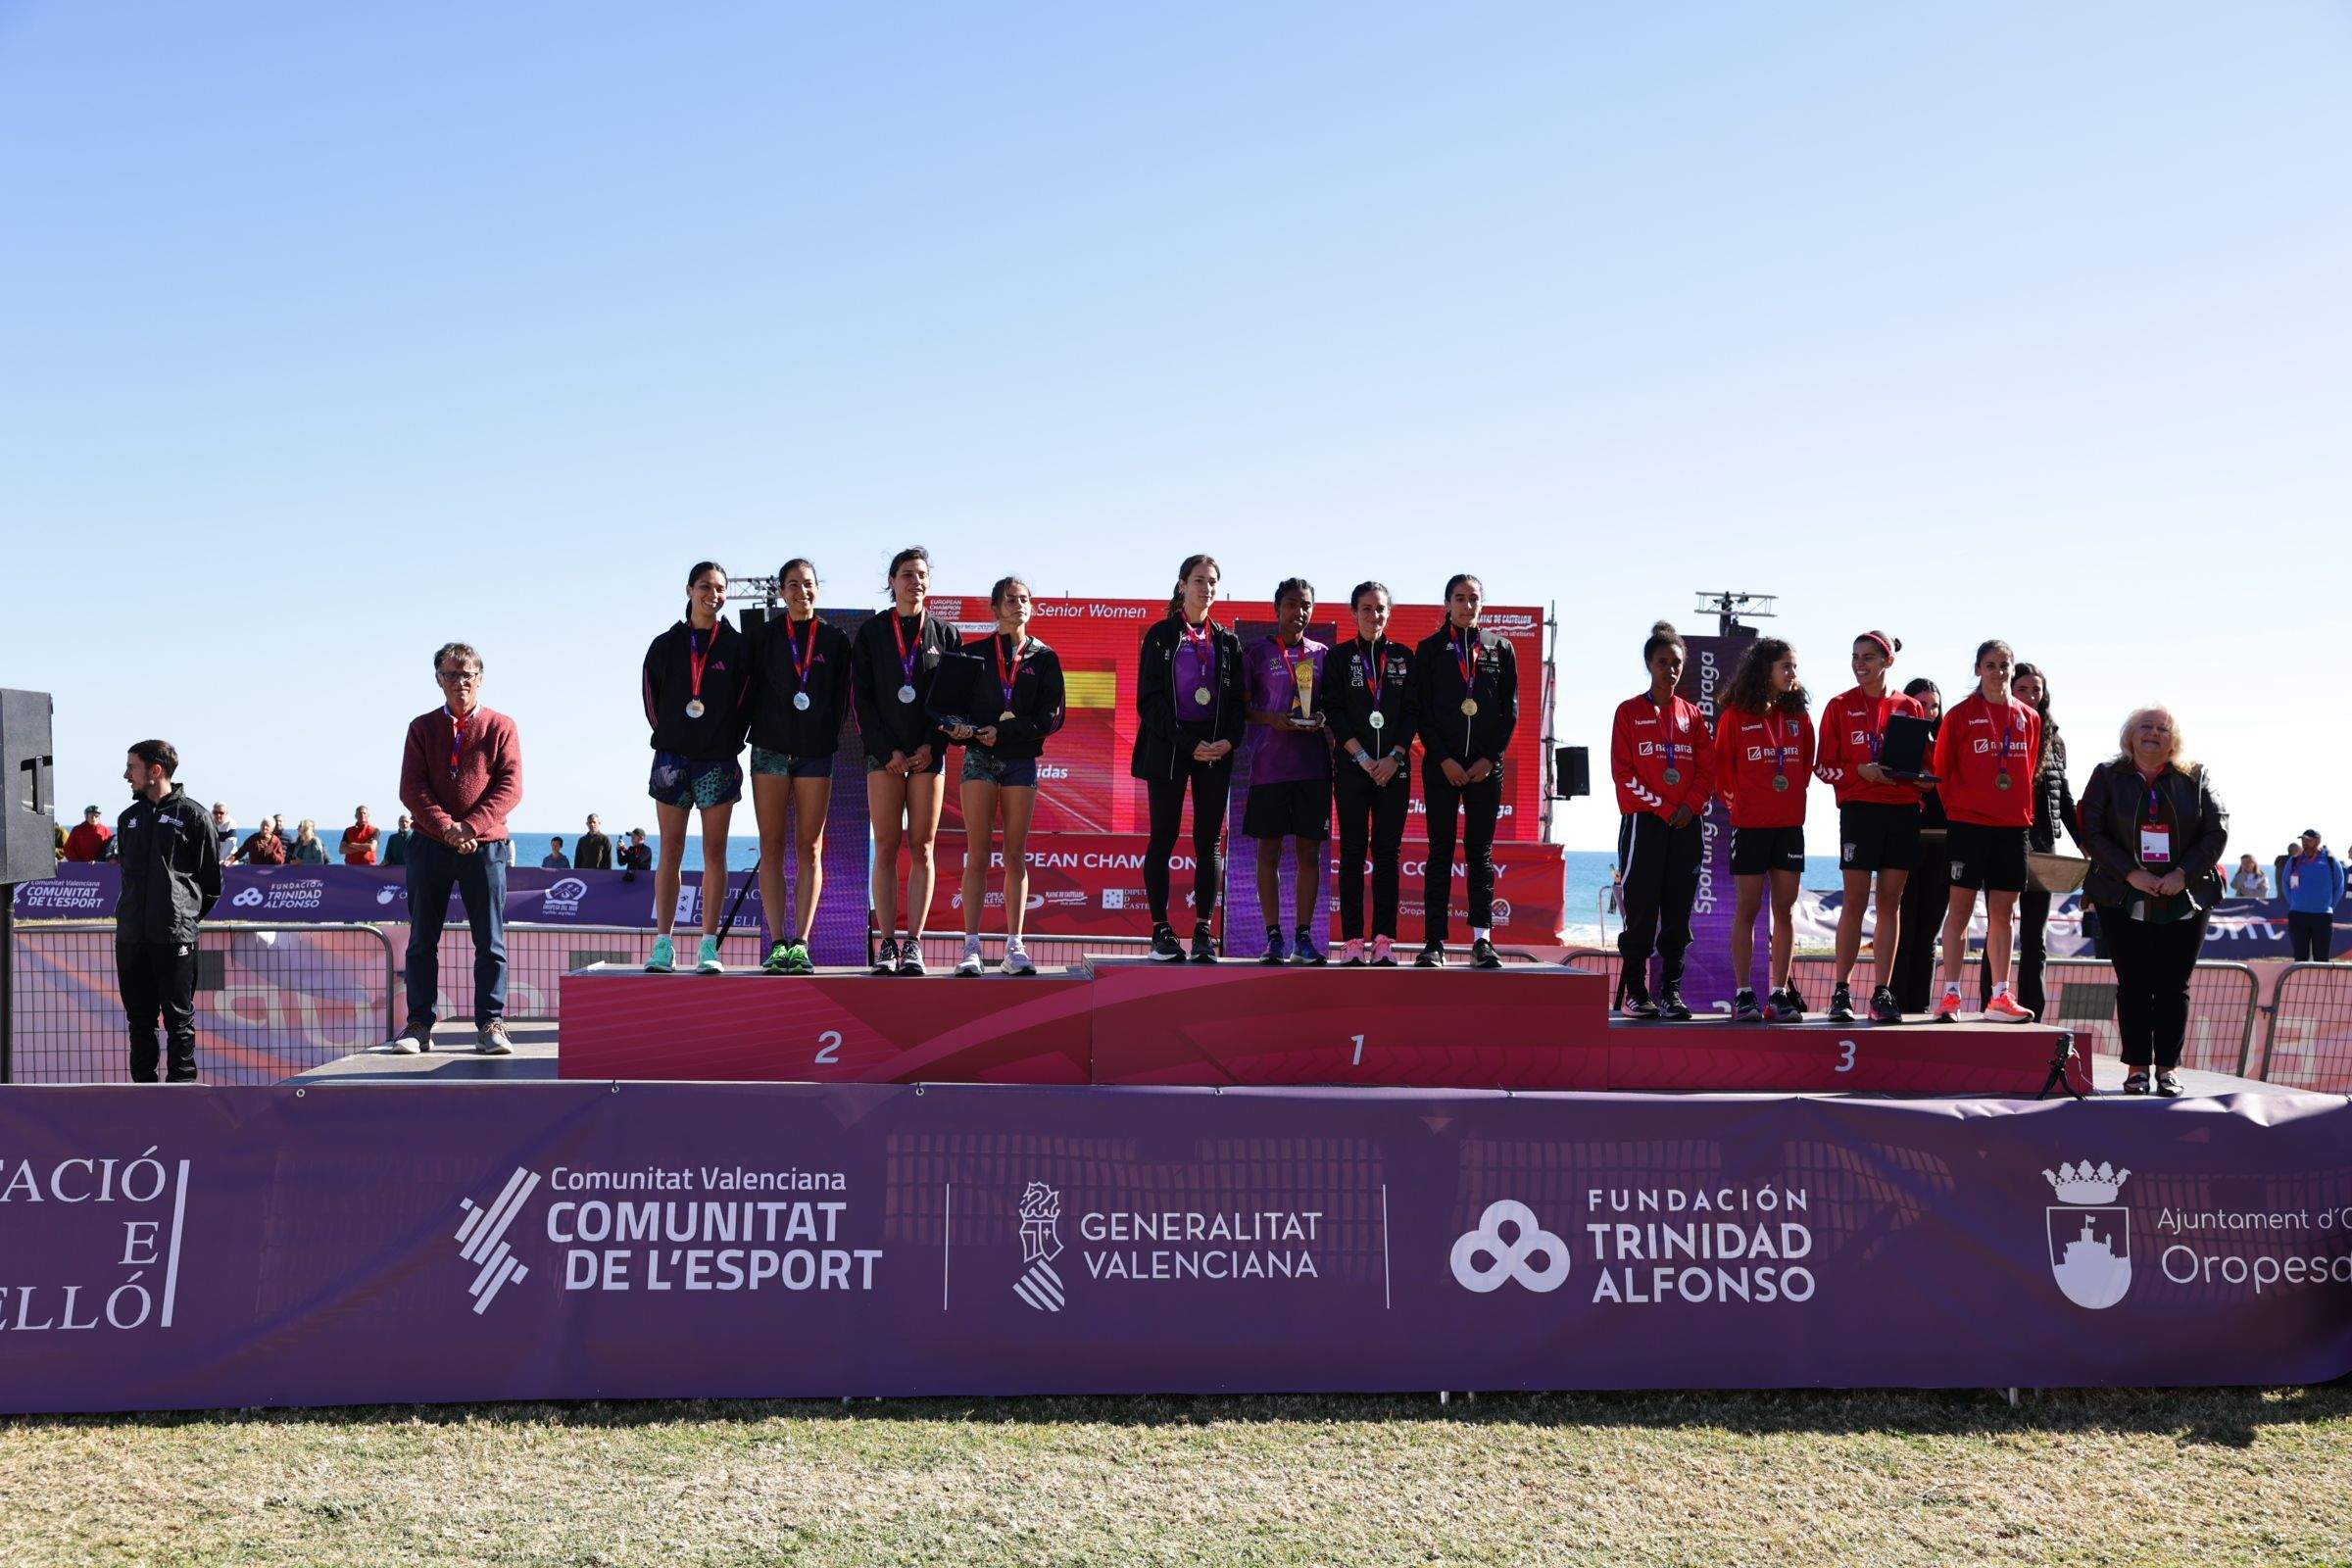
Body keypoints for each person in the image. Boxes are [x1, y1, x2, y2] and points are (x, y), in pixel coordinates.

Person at [2077, 706, 2228, 1095]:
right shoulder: (2106, 776)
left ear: (2172, 739)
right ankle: (2137, 1069)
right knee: (2133, 984)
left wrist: (2182, 875)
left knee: (2174, 986)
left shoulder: (2196, 776)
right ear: (2130, 735)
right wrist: (2131, 873)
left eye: (2162, 729)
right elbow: (2091, 831)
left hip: (2185, 897)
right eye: (2146, 727)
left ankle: (2168, 1070)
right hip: (2121, 894)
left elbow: (2217, 829)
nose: (2153, 734)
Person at [391, 639, 524, 1056]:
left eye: (467, 675)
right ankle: (418, 1026)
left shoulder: (502, 726)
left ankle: (490, 1024)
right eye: (451, 674)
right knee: (421, 940)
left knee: (490, 941)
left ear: (480, 679)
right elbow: (411, 788)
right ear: (438, 679)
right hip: (430, 845)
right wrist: (448, 827)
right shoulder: (421, 727)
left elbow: (511, 787)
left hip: (486, 848)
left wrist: (471, 826)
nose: (460, 682)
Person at [945, 575, 1066, 976]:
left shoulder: (1045, 658)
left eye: (1024, 599)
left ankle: (1015, 947)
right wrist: (958, 729)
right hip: (979, 758)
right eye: (1010, 600)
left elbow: (1052, 717)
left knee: (1015, 854)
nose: (1018, 605)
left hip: (1019, 760)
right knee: (977, 853)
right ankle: (971, 948)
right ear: (995, 609)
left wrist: (1008, 732)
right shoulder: (973, 653)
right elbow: (950, 708)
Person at [853, 546, 960, 975]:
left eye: (921, 574)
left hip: (927, 755)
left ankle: (914, 943)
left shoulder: (946, 634)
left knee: (923, 846)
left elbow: (954, 699)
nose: (915, 581)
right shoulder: (873, 633)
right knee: (885, 847)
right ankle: (886, 944)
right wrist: (886, 751)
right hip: (885, 758)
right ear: (892, 581)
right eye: (906, 574)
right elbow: (861, 698)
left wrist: (932, 746)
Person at [1133, 553, 1247, 962]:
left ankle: (1203, 932)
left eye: (1212, 581)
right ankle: (1161, 930)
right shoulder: (1162, 635)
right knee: (1163, 837)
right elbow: (1148, 701)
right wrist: (1184, 741)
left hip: (1214, 749)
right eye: (1199, 580)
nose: (1207, 587)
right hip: (1170, 747)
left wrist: (1229, 740)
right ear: (1182, 585)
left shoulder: (1228, 641)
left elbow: (1238, 703)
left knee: (1208, 842)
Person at [744, 557, 854, 975]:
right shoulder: (763, 637)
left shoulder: (835, 640)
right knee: (771, 846)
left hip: (814, 752)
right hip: (768, 750)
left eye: (807, 584)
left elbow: (842, 700)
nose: (800, 591)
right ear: (781, 590)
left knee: (810, 848)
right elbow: (747, 691)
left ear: (817, 589)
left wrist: (822, 735)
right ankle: (776, 943)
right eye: (792, 584)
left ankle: (801, 944)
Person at [641, 560, 752, 975]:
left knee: (714, 853)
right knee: (670, 850)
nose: (714, 593)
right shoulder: (665, 644)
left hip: (718, 762)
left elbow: (745, 703)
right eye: (706, 586)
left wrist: (722, 741)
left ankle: (708, 945)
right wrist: (673, 735)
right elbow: (651, 701)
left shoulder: (737, 646)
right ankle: (663, 944)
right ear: (689, 590)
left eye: (721, 588)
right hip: (671, 760)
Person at [1814, 631, 1927, 1024]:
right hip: (1860, 810)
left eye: (1868, 657)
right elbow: (1822, 767)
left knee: (1890, 903)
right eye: (1855, 657)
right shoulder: (1839, 705)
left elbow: (1925, 768)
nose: (1860, 664)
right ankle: (1840, 991)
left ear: (1887, 662)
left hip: (1902, 809)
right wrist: (1857, 772)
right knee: (1856, 900)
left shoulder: (1911, 707)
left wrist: (1914, 776)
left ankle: (1882, 992)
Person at [1931, 640, 2043, 1023]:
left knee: (2004, 912)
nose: (1998, 672)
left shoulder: (2029, 717)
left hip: (2013, 827)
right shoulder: (1960, 716)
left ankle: (1999, 995)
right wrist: (1963, 809)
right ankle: (1950, 994)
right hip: (1968, 825)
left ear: (2013, 670)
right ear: (1978, 669)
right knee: (1959, 910)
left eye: (2004, 665)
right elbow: (1942, 772)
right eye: (1990, 665)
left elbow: (2027, 772)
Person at [1412, 573, 1517, 970]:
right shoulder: (1429, 650)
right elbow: (1421, 712)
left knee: (1480, 852)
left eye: (1474, 599)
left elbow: (1510, 712)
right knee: (1440, 851)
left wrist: (1489, 759)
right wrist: (1444, 758)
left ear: (1482, 605)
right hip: (1443, 766)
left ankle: (1482, 940)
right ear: (1447, 603)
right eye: (1460, 598)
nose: (1467, 605)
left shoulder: (1500, 648)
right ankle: (1433, 942)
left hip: (1485, 770)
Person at [1609, 621, 1713, 1017]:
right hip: (1645, 823)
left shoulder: (1693, 716)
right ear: (1648, 664)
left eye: (1676, 663)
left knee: (1678, 912)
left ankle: (1670, 992)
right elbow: (1623, 774)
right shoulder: (1629, 712)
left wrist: (1690, 805)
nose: (1670, 669)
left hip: (1687, 825)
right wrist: (1666, 807)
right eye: (1662, 662)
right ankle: (1637, 992)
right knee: (1640, 910)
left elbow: (1708, 771)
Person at [1715, 637, 1816, 1021]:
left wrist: (1784, 801)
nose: (1793, 674)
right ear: (1765, 670)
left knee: (1785, 910)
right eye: (1786, 666)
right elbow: (1723, 768)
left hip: (1789, 825)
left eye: (1795, 667)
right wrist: (1743, 804)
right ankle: (1744, 993)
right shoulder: (1735, 717)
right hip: (1751, 826)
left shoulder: (1799, 717)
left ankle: (1778, 994)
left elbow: (1804, 766)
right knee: (1748, 908)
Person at [113, 740, 222, 1084]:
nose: (125, 774)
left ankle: (181, 1096)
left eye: (132, 766)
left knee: (178, 1021)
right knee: (139, 1022)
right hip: (132, 938)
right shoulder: (128, 818)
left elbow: (211, 885)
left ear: (155, 770)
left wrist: (180, 919)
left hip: (175, 939)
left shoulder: (194, 815)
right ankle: (143, 1094)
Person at [1978, 662, 2080, 1021]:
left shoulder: (2054, 739)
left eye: (2036, 690)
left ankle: (2032, 1013)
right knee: (1998, 926)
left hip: (2041, 846)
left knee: (2035, 937)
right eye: (2023, 689)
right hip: (2003, 840)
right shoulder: (1996, 731)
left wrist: (2086, 845)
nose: (2031, 696)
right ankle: (1990, 1005)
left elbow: (2063, 797)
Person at [1242, 577, 1334, 965]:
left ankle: (1304, 938)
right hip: (1269, 767)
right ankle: (1273, 937)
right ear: (1277, 609)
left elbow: (1333, 707)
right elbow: (1244, 709)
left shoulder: (1323, 653)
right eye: (1292, 604)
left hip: (1313, 767)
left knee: (1309, 853)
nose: (1300, 611)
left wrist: (1322, 719)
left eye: (1306, 605)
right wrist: (1272, 720)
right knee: (1269, 851)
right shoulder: (1257, 653)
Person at [1328, 580, 1415, 965]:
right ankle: (1351, 941)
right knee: (1350, 853)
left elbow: (1412, 712)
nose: (1373, 615)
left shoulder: (1404, 657)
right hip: (1352, 767)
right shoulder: (1339, 657)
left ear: (1389, 612)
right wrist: (1363, 758)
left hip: (1393, 769)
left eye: (1380, 608)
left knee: (1387, 855)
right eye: (1366, 608)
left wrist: (1394, 755)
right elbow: (1334, 711)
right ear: (1354, 612)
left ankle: (1383, 940)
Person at [1890, 679, 1947, 1012]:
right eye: (1921, 704)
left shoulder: (1944, 745)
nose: (1928, 711)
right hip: (1902, 843)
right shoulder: (1894, 743)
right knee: (1904, 929)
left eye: (1934, 705)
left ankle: (1919, 1008)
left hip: (1941, 848)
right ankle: (1892, 1002)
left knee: (1928, 934)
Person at [2281, 829, 2343, 960]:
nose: (2304, 843)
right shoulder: (2294, 860)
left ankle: (2321, 982)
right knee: (2300, 957)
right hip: (2298, 915)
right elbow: (2285, 883)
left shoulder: (2330, 860)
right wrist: (2294, 903)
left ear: (2317, 841)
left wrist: (2329, 906)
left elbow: (2339, 885)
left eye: (2308, 840)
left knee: (2321, 957)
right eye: (2303, 840)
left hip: (2322, 916)